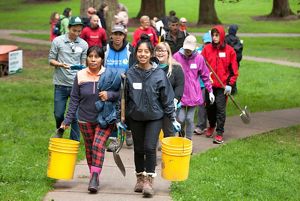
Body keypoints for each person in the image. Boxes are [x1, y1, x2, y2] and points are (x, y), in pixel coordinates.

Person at [60, 46, 121, 193]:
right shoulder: (80, 75)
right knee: (89, 148)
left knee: (98, 145)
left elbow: (119, 94)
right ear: (86, 58)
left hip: (105, 118)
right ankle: (94, 174)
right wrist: (67, 120)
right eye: (90, 56)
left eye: (97, 57)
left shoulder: (110, 74)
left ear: (102, 59)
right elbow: (74, 99)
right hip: (84, 119)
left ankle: (94, 177)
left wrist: (109, 95)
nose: (93, 60)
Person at [125, 35, 181, 198]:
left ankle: (149, 180)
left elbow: (167, 98)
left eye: (146, 51)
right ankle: (139, 178)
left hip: (155, 117)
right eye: (140, 51)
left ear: (151, 54)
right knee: (138, 149)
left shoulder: (159, 74)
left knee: (150, 148)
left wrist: (172, 118)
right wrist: (121, 119)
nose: (142, 54)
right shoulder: (130, 74)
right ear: (136, 54)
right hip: (135, 117)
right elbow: (125, 98)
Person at [48, 16, 88, 141]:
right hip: (60, 83)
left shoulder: (83, 44)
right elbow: (51, 60)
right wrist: (60, 64)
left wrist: (83, 70)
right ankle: (60, 128)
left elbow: (84, 64)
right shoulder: (58, 41)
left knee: (76, 116)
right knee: (58, 113)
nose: (76, 33)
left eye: (79, 31)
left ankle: (73, 142)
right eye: (74, 30)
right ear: (68, 28)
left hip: (76, 84)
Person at [201, 25, 239, 144]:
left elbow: (234, 71)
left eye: (217, 35)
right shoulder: (207, 49)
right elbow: (201, 65)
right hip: (210, 85)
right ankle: (211, 125)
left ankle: (219, 132)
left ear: (222, 36)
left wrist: (230, 84)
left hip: (223, 86)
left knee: (220, 109)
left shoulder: (230, 51)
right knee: (209, 107)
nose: (214, 37)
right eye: (213, 35)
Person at [173, 35, 214, 140]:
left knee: (190, 119)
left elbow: (205, 76)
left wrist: (210, 91)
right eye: (186, 48)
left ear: (195, 47)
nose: (188, 51)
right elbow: (171, 73)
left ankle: (189, 140)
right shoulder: (176, 57)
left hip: (193, 94)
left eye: (190, 49)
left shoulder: (199, 58)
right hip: (180, 94)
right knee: (180, 118)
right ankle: (181, 137)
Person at [104, 24, 134, 147]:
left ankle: (128, 131)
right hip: (110, 86)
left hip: (125, 85)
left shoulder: (129, 49)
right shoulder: (106, 49)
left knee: (127, 111)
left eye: (120, 34)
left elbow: (133, 67)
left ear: (124, 36)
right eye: (115, 34)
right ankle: (113, 138)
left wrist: (127, 76)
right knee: (111, 111)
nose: (117, 37)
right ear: (111, 35)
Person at [154, 42, 184, 137]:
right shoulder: (151, 68)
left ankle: (170, 150)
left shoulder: (177, 68)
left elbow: (180, 87)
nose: (160, 53)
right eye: (158, 50)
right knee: (152, 134)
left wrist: (175, 101)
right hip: (154, 107)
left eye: (163, 50)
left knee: (169, 133)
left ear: (168, 53)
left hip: (170, 107)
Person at [194, 31, 212, 135]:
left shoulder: (214, 52)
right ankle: (201, 125)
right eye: (206, 43)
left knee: (210, 105)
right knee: (201, 104)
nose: (207, 45)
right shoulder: (198, 52)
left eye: (209, 43)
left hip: (212, 82)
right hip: (200, 83)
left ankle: (212, 125)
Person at [225, 24, 243, 94]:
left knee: (227, 75)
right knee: (234, 75)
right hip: (236, 62)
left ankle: (227, 88)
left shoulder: (225, 39)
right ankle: (233, 90)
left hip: (227, 61)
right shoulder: (237, 40)